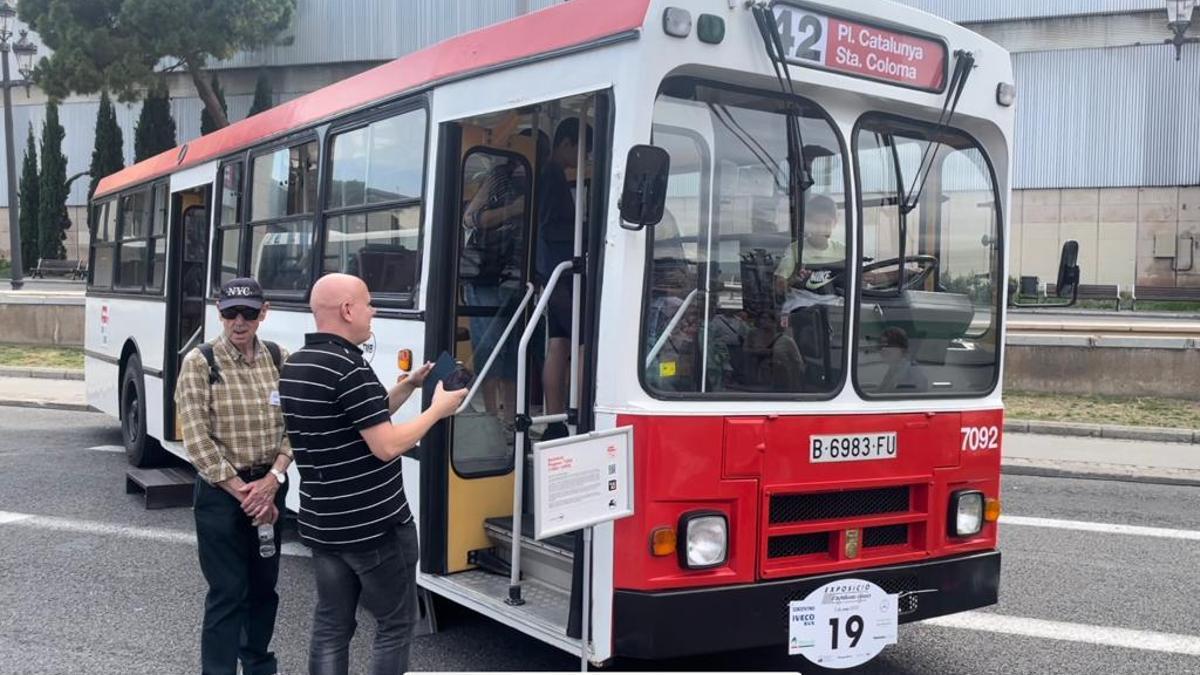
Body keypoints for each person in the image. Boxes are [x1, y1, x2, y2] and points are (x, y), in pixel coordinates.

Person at [279, 273, 468, 675]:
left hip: (323, 524)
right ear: (348, 310)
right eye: (368, 303)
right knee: (395, 624)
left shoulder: (297, 365)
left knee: (332, 624)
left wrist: (408, 387)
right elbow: (386, 445)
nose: (374, 311)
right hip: (373, 527)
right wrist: (437, 410)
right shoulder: (350, 368)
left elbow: (359, 418)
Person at [175, 277, 292, 675]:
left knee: (264, 589)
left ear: (264, 313)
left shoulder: (280, 358)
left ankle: (259, 665)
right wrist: (245, 492)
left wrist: (273, 479)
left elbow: (297, 425)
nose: (238, 322)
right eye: (229, 313)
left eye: (248, 313)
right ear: (219, 313)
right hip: (222, 493)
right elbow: (195, 436)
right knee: (228, 592)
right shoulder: (200, 362)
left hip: (270, 486)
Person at [535, 117, 592, 439]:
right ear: (567, 143)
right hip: (563, 273)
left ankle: (554, 418)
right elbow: (551, 228)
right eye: (582, 151)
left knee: (558, 343)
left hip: (552, 274)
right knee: (583, 343)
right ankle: (579, 415)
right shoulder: (553, 177)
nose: (582, 160)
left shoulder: (549, 176)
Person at [773, 194, 846, 312]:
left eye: (827, 223)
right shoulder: (795, 250)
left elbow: (865, 277)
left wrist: (885, 276)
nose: (821, 228)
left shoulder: (843, 251)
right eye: (816, 223)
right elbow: (779, 287)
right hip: (801, 305)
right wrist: (794, 280)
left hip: (836, 305)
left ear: (835, 222)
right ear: (807, 223)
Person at [878, 327, 929, 392]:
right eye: (881, 345)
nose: (883, 349)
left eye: (889, 345)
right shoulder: (894, 369)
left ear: (902, 348)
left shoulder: (912, 371)